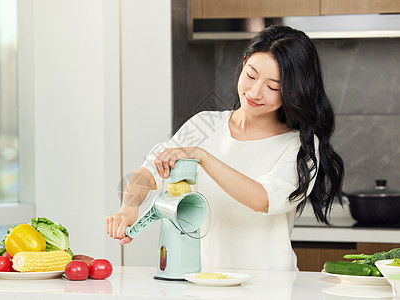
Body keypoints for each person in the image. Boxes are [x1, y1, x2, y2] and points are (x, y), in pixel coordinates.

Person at [105, 25, 344, 271]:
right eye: (251, 75)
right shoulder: (204, 124)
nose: (254, 92)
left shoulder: (300, 146)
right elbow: (148, 173)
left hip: (269, 287)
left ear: (293, 91)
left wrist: (202, 157)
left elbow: (262, 199)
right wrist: (128, 208)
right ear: (243, 63)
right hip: (204, 282)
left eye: (272, 87)